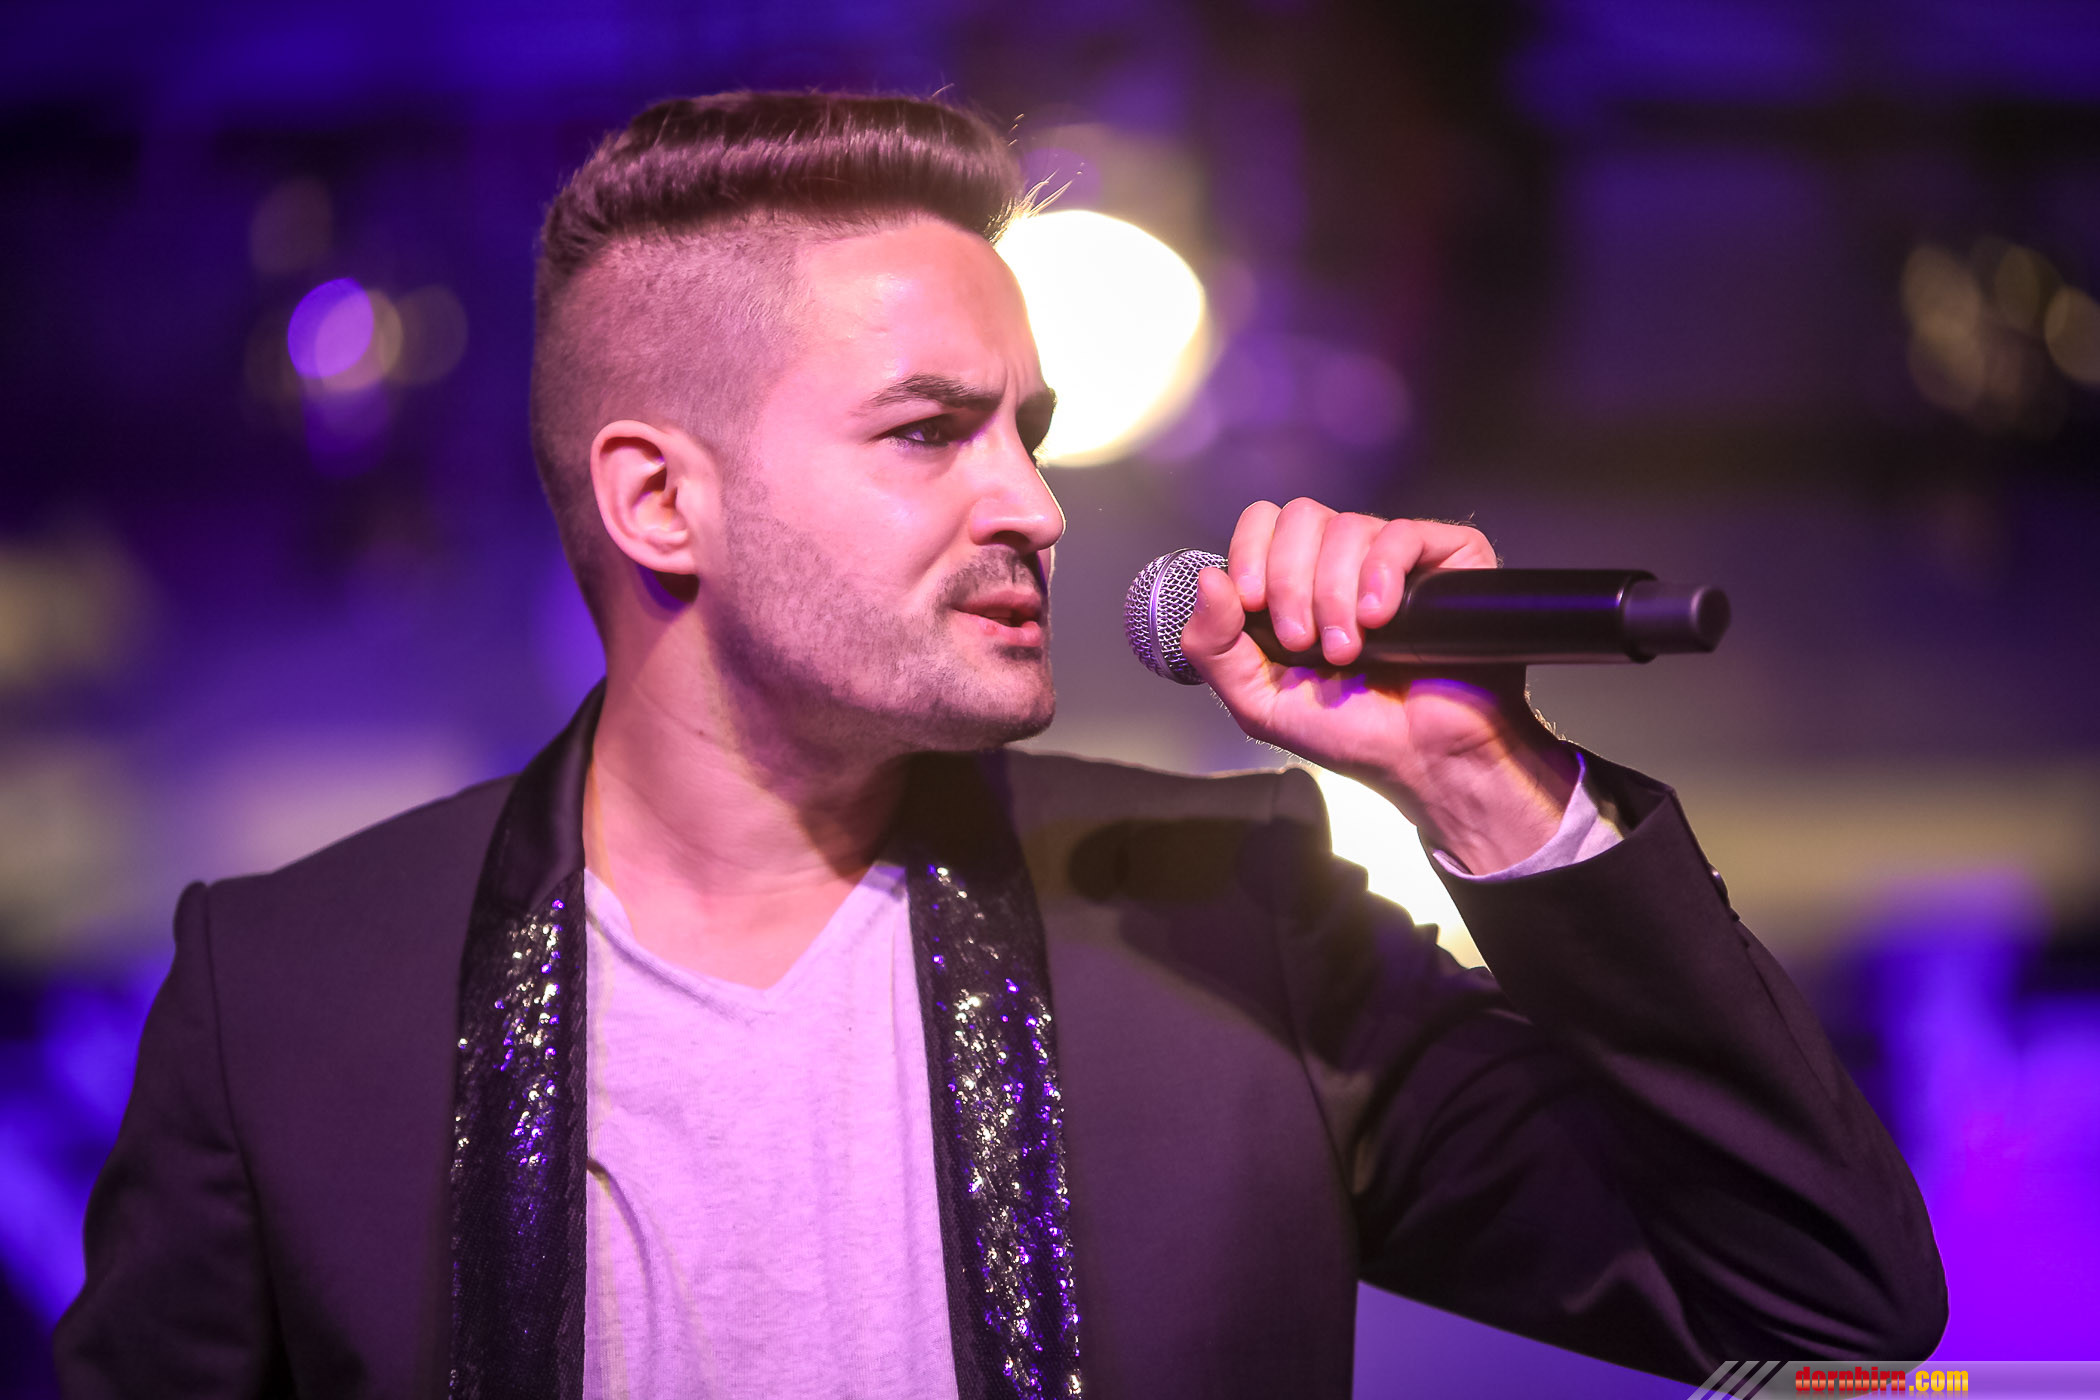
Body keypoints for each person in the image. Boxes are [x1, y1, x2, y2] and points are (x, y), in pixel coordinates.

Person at [55, 92, 1945, 1400]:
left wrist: (1475, 775)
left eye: (1027, 431)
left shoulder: (1218, 915)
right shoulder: (291, 989)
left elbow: (1818, 1309)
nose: (1035, 506)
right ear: (657, 500)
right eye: (928, 431)